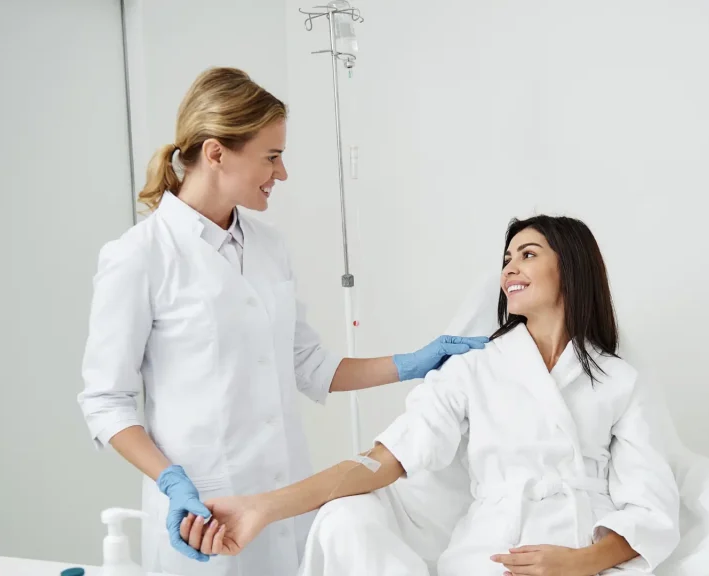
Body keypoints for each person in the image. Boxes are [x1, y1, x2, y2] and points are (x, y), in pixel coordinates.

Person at [77, 66, 488, 576]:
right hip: (203, 512)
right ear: (216, 152)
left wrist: (416, 362)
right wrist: (171, 480)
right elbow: (105, 400)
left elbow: (310, 365)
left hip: (284, 502)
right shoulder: (140, 256)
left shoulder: (269, 246)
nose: (282, 173)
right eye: (272, 157)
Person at [181, 215, 681, 576]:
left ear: (571, 268)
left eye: (529, 254)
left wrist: (579, 562)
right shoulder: (473, 369)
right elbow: (382, 460)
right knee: (347, 522)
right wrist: (262, 508)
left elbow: (650, 507)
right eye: (507, 258)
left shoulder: (621, 382)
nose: (510, 267)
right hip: (491, 552)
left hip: (581, 553)